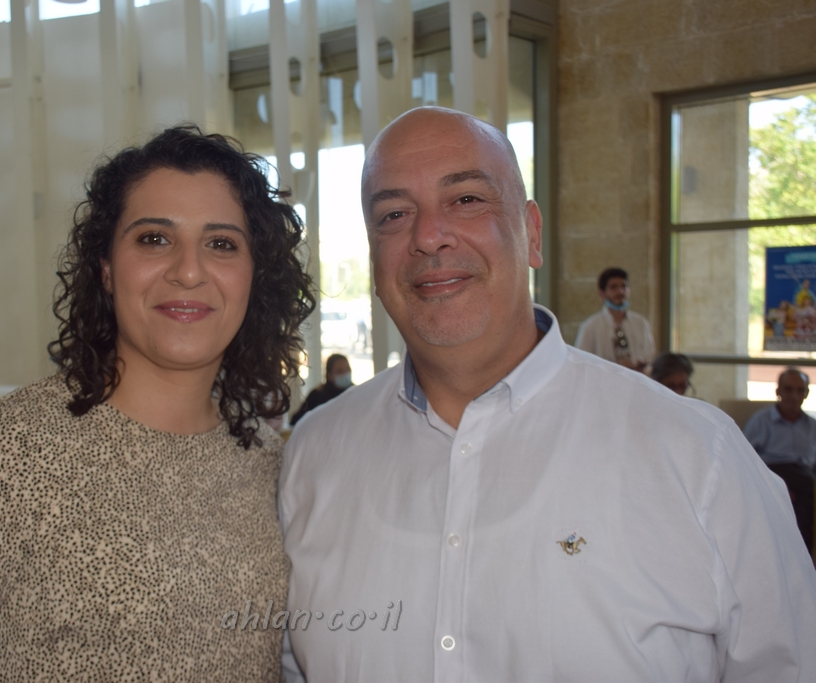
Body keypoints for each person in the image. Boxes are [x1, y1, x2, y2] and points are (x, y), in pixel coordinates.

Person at [279, 107, 816, 682]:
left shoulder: (699, 458)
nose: (429, 235)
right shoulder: (314, 456)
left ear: (532, 233)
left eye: (466, 199)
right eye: (393, 214)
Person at [0, 125, 315, 681]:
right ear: (106, 270)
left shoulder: (267, 464)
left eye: (222, 244)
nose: (188, 270)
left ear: (255, 276)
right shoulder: (11, 451)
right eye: (154, 238)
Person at [744, 367, 816, 553]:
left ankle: (800, 554)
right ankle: (800, 555)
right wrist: (776, 486)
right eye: (789, 389)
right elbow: (746, 458)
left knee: (807, 498)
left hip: (804, 476)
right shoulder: (762, 421)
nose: (794, 396)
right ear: (778, 391)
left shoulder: (812, 426)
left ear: (807, 394)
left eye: (800, 390)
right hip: (772, 473)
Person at [574, 267, 655, 371]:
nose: (620, 291)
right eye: (613, 287)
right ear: (602, 293)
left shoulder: (641, 323)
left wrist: (640, 365)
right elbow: (581, 361)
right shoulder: (590, 326)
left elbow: (650, 356)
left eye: (624, 286)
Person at [289, 354, 352, 425]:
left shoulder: (354, 393)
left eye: (348, 369)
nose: (345, 373)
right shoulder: (317, 395)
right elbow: (296, 421)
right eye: (340, 371)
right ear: (329, 375)